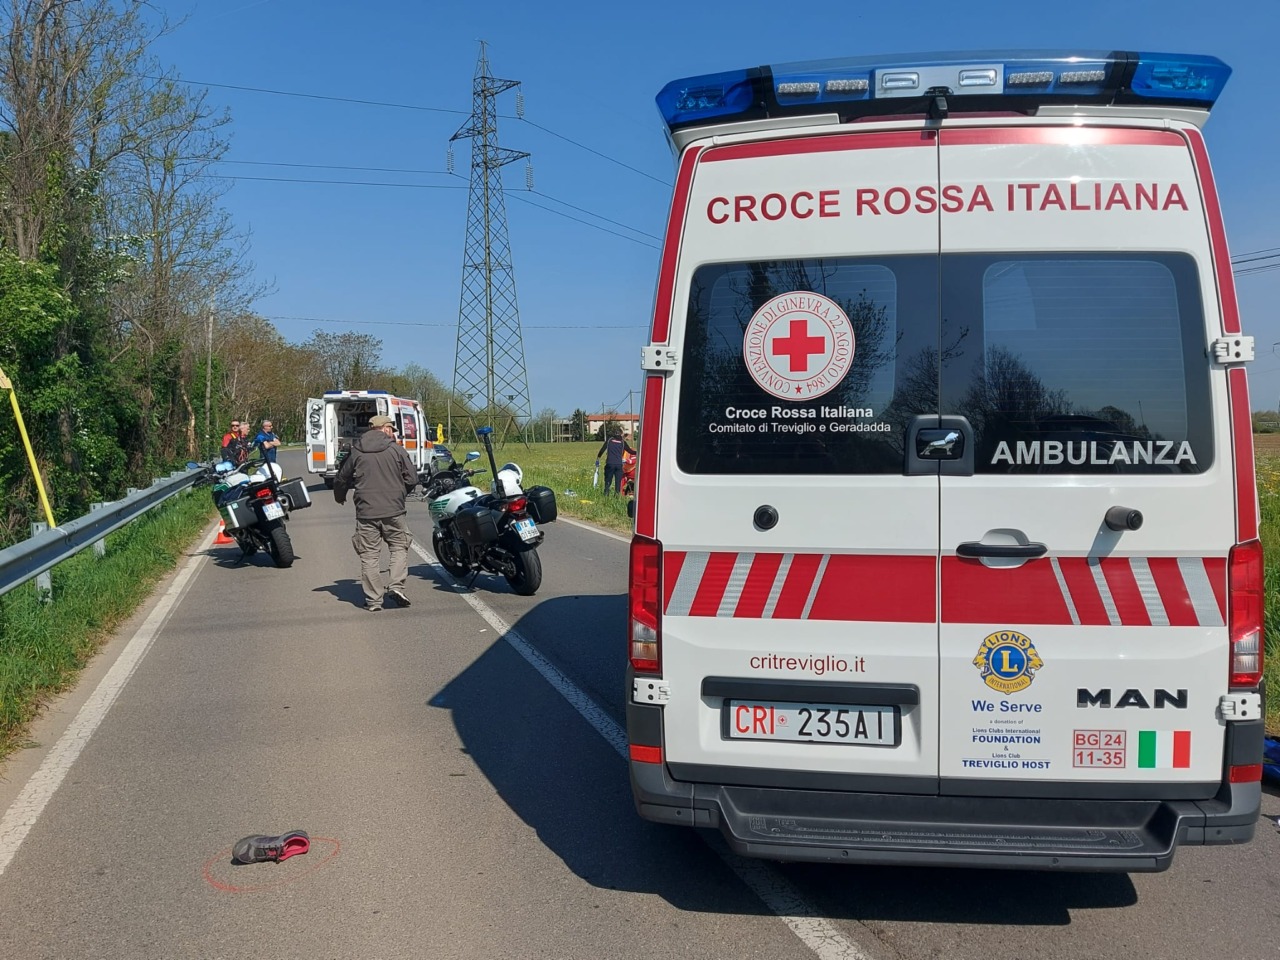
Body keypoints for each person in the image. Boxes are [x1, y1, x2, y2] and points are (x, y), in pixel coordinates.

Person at [333, 414, 418, 611]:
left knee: (369, 555)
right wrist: (399, 494)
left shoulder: (356, 451)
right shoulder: (396, 449)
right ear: (385, 428)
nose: (393, 434)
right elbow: (412, 478)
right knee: (399, 547)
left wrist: (340, 496)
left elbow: (342, 478)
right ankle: (396, 587)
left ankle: (373, 601)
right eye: (392, 430)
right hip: (394, 510)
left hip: (366, 511)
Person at [596, 427, 636, 495]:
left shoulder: (609, 440)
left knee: (608, 480)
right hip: (619, 465)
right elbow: (630, 451)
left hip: (610, 464)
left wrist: (598, 458)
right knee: (618, 482)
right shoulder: (623, 442)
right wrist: (639, 452)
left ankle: (606, 494)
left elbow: (602, 450)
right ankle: (617, 495)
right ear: (621, 434)